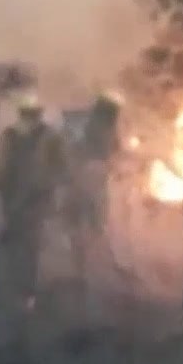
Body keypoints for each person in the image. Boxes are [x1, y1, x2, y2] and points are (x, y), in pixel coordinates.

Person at [0, 92, 67, 337]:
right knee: (21, 246)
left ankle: (23, 296)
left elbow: (60, 168)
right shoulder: (13, 136)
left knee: (27, 246)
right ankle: (18, 296)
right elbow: (2, 169)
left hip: (33, 200)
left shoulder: (44, 137)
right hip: (20, 200)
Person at [62, 91, 123, 280]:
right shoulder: (109, 129)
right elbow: (115, 151)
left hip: (82, 174)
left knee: (76, 219)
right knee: (93, 221)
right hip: (96, 175)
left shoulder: (86, 123)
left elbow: (73, 145)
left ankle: (80, 264)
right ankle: (86, 264)